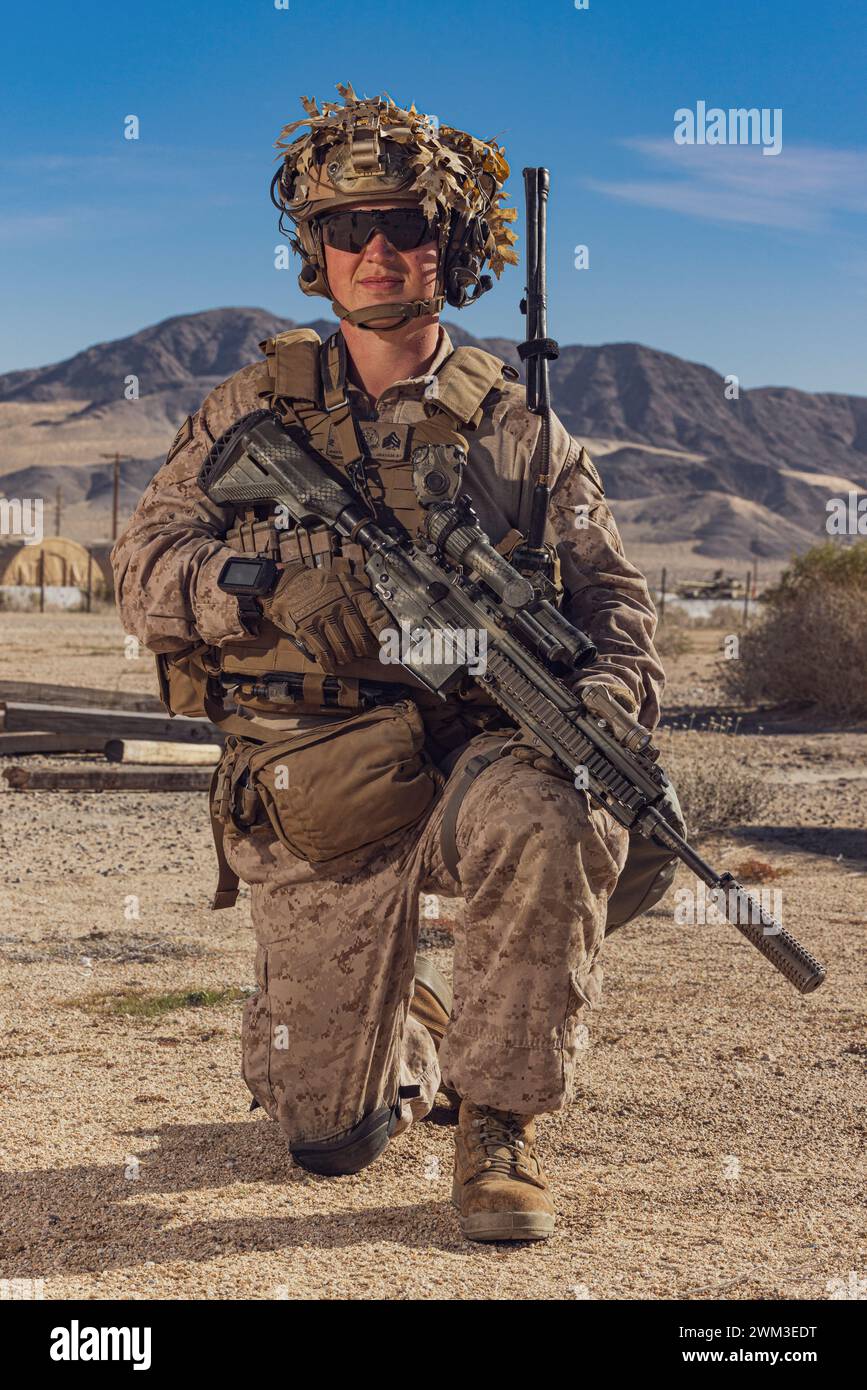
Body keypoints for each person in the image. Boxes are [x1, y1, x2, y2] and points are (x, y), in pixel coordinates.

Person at [112, 84, 665, 1244]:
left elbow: (616, 606)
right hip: (318, 787)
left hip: (472, 767)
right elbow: (144, 568)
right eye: (344, 229)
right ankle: (393, 1012)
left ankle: (497, 1123)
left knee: (562, 802)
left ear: (448, 245)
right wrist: (262, 589)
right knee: (326, 1139)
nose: (373, 250)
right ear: (314, 252)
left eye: (404, 225)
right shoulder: (249, 409)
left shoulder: (523, 434)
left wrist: (611, 696)